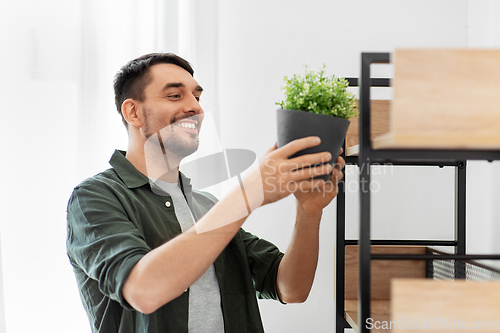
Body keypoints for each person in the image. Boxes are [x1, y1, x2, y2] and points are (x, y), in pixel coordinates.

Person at [66, 53, 345, 333]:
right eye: (175, 95)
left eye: (197, 97)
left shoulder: (207, 207)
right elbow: (143, 290)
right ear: (133, 112)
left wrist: (309, 211)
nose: (195, 108)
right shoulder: (94, 197)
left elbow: (290, 288)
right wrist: (247, 194)